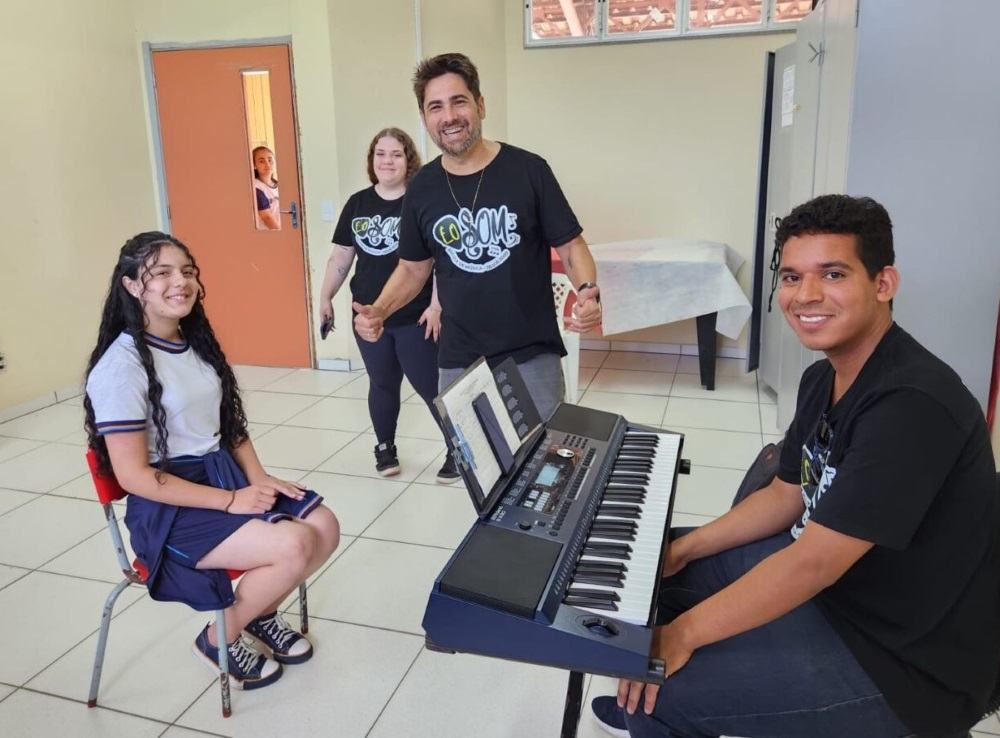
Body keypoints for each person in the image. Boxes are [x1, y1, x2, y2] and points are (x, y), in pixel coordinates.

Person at [591, 194, 1000, 738]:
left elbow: (814, 563)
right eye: (791, 277)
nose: (805, 295)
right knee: (650, 575)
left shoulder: (911, 404)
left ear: (883, 283)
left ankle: (659, 712)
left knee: (661, 695)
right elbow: (786, 495)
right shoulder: (823, 377)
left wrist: (682, 635)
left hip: (903, 658)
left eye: (832, 274)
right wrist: (682, 550)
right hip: (843, 590)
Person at [84, 232, 340, 691]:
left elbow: (229, 425)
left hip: (222, 476)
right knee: (294, 544)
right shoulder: (121, 367)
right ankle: (218, 638)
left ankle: (258, 613)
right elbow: (134, 476)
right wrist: (230, 501)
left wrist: (259, 479)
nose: (180, 282)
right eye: (161, 273)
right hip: (168, 507)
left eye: (187, 271)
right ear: (132, 285)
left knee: (324, 525)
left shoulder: (193, 341)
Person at [352, 52, 602, 423]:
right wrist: (380, 309)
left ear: (480, 105)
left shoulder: (529, 170)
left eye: (459, 101)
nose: (449, 116)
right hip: (459, 359)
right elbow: (413, 269)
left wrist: (587, 290)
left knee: (542, 455)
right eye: (436, 107)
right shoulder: (421, 188)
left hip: (532, 355)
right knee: (475, 457)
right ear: (424, 118)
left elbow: (570, 244)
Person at [319, 127, 458, 483]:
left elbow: (441, 259)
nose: (387, 161)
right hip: (368, 317)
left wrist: (436, 306)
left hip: (416, 315)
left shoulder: (421, 202)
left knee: (430, 386)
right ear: (372, 160)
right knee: (382, 383)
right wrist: (325, 297)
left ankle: (458, 448)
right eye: (380, 154)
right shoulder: (358, 203)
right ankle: (385, 447)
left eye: (396, 154)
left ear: (408, 160)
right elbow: (341, 256)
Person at [252, 146, 280, 230]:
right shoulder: (256, 187)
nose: (267, 164)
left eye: (270, 160)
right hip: (271, 233)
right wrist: (284, 233)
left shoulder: (278, 185)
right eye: (261, 161)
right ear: (254, 165)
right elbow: (267, 218)